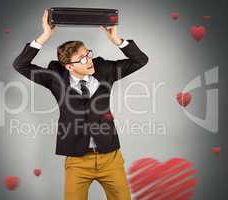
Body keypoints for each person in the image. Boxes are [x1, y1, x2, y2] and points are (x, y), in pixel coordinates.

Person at [13, 8, 148, 200]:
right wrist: (45, 35)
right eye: (82, 59)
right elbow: (21, 65)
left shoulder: (105, 69)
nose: (89, 61)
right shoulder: (55, 77)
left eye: (89, 54)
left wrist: (116, 39)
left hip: (110, 157)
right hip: (77, 160)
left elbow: (140, 60)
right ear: (69, 66)